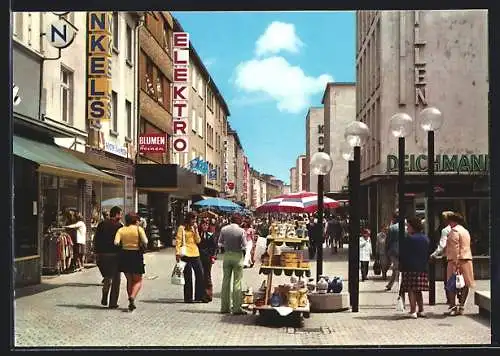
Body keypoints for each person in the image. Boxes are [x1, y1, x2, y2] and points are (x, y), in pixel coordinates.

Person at [114, 213, 148, 312]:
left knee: (129, 279)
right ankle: (132, 297)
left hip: (124, 255)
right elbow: (145, 241)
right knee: (138, 280)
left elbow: (116, 242)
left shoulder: (121, 230)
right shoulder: (139, 229)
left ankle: (130, 301)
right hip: (136, 255)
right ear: (136, 220)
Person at [444, 213, 475, 316]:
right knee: (465, 284)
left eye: (449, 221)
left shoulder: (454, 231)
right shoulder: (465, 231)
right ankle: (461, 306)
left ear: (452, 221)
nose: (448, 223)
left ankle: (453, 307)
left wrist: (455, 263)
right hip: (467, 259)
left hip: (455, 261)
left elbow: (454, 248)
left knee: (451, 284)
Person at [400, 217, 430, 319]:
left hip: (409, 267)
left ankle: (413, 310)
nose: (407, 228)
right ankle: (421, 310)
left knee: (411, 289)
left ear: (413, 227)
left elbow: (404, 253)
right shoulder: (425, 238)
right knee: (418, 290)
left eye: (408, 226)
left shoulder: (409, 238)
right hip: (422, 267)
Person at [94, 206, 123, 309]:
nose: (121, 216)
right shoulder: (120, 226)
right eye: (120, 214)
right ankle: (113, 302)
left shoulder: (101, 224)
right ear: (117, 214)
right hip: (115, 255)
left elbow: (96, 239)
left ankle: (105, 295)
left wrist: (96, 253)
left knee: (107, 277)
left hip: (103, 255)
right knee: (116, 280)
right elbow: (121, 242)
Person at [218, 214, 247, 315]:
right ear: (239, 221)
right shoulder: (241, 231)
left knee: (225, 281)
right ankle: (236, 308)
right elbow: (244, 246)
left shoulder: (224, 229)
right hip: (237, 256)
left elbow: (220, 243)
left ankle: (224, 307)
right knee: (237, 282)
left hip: (227, 256)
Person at [175, 212, 204, 303]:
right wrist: (177, 253)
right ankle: (188, 297)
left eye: (195, 219)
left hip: (195, 253)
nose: (194, 221)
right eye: (193, 219)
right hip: (185, 253)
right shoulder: (182, 228)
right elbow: (178, 241)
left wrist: (196, 231)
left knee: (200, 274)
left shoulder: (194, 228)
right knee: (188, 276)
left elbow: (198, 241)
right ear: (188, 219)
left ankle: (198, 296)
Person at [430, 211, 454, 306]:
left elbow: (442, 245)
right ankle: (458, 297)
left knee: (447, 278)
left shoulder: (445, 230)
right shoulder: (460, 228)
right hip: (458, 257)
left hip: (447, 257)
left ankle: (449, 299)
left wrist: (434, 254)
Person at [198, 220, 217, 303]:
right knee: (200, 276)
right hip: (199, 257)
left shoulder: (210, 235)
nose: (205, 226)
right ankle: (200, 295)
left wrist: (213, 256)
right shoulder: (198, 234)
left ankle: (208, 295)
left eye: (207, 224)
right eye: (204, 224)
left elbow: (214, 247)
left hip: (208, 257)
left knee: (207, 276)